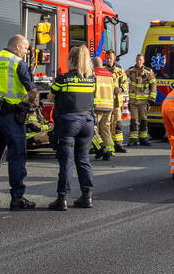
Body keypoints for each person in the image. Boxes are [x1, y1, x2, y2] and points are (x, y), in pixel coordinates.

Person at [0, 34, 39, 210]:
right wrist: (29, 103)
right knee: (17, 156)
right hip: (12, 117)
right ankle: (17, 198)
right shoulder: (17, 62)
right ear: (17, 46)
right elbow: (32, 90)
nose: (25, 53)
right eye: (25, 49)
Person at [48, 46, 96, 211]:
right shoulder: (91, 79)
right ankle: (87, 196)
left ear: (71, 60)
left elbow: (51, 95)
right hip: (87, 122)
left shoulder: (63, 78)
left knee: (66, 162)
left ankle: (62, 199)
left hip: (69, 122)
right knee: (83, 160)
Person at [126, 53, 156, 146]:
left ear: (143, 61)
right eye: (137, 60)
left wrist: (152, 98)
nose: (139, 62)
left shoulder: (148, 71)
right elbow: (122, 77)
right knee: (134, 120)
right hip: (133, 101)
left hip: (144, 101)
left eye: (140, 60)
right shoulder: (131, 71)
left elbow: (153, 84)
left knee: (143, 120)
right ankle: (133, 139)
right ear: (136, 60)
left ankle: (143, 138)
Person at [104, 50, 129, 153]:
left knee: (117, 123)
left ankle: (118, 144)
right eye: (108, 58)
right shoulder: (103, 70)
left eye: (111, 58)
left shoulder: (119, 70)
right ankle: (108, 144)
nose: (109, 59)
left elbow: (125, 82)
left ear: (114, 58)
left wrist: (121, 89)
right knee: (107, 123)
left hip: (117, 101)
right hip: (106, 100)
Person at [92, 56, 116, 160]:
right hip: (109, 106)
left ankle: (101, 148)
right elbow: (114, 90)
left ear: (93, 64)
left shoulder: (93, 74)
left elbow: (91, 90)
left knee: (92, 129)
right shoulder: (110, 74)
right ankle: (110, 150)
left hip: (97, 106)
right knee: (105, 129)